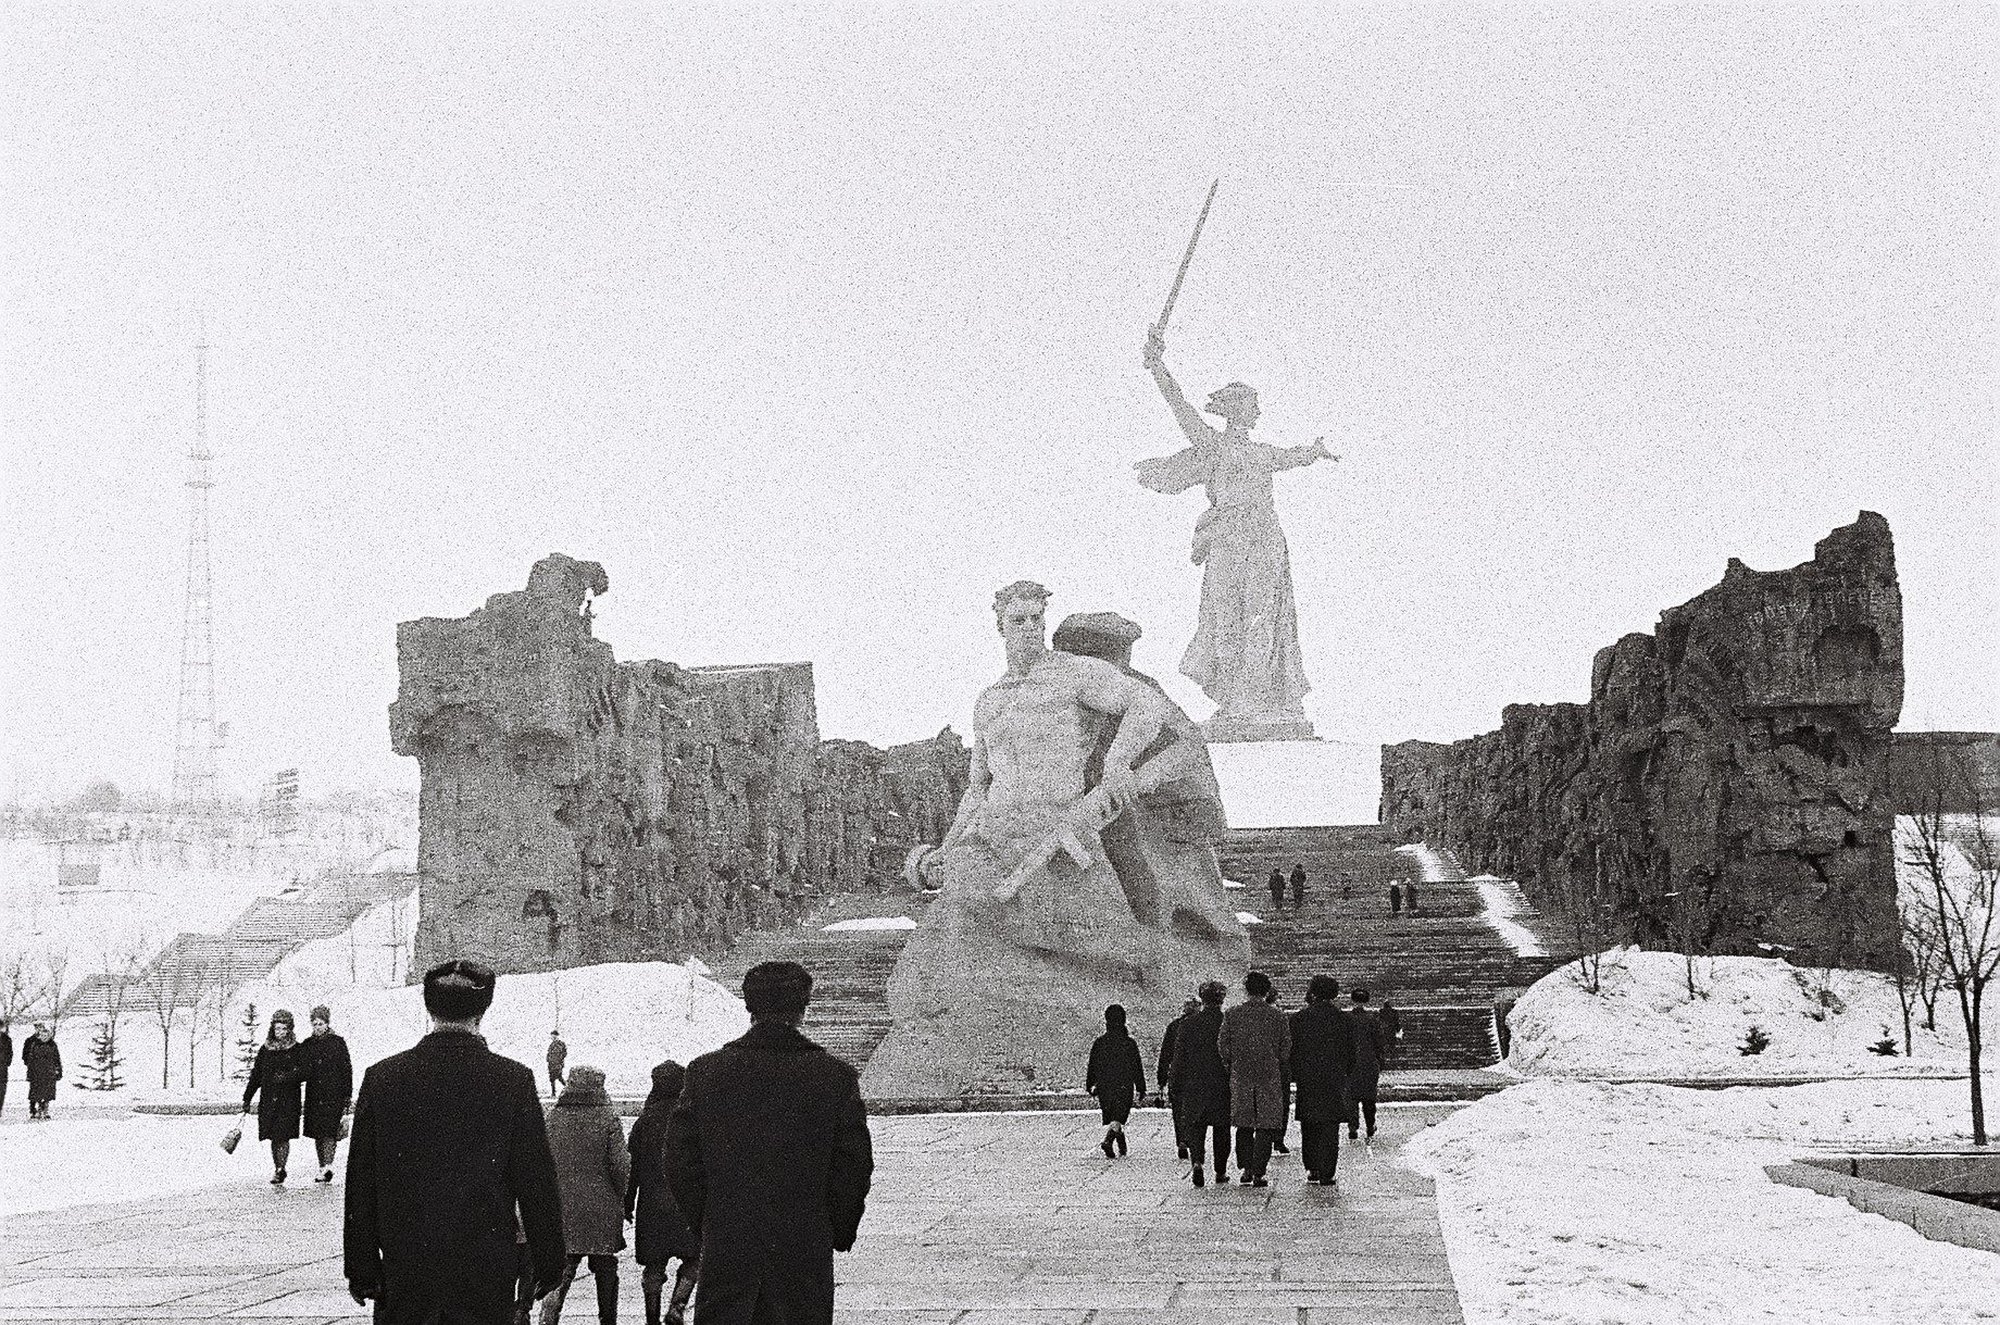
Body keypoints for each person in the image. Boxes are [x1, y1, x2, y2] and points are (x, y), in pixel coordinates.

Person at [344, 959, 566, 1322]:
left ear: (429, 1008)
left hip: (406, 1264)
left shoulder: (383, 1078)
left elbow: (362, 1180)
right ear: (482, 1011)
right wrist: (548, 1262)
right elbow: (536, 1181)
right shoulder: (512, 1081)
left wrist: (361, 1265)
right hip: (484, 1267)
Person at [1137, 328, 1335, 732]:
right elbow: (1181, 407)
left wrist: (1313, 453)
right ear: (1237, 410)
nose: (1259, 412)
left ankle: (1260, 698)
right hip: (1227, 537)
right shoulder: (1212, 446)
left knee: (1262, 618)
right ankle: (1233, 699)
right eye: (1254, 405)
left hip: (1263, 537)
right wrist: (1158, 366)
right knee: (1225, 616)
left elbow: (1289, 457)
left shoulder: (1260, 453)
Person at [666, 961, 873, 1325]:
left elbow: (680, 1162)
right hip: (803, 1251)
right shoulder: (835, 1077)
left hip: (729, 1247)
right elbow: (853, 1166)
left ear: (749, 1005)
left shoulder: (705, 1074)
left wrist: (710, 1221)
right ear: (803, 1006)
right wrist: (834, 1229)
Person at [541, 1065, 629, 1325]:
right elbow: (621, 1166)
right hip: (601, 1208)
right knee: (605, 1268)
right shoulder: (608, 1118)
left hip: (562, 1207)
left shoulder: (552, 1117)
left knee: (563, 1268)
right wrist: (619, 1196)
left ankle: (549, 1317)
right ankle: (607, 1319)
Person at [626, 1061, 699, 1325]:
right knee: (694, 1260)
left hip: (652, 1204)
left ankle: (652, 1319)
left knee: (653, 1267)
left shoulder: (644, 1121)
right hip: (686, 1204)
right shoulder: (691, 1116)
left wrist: (627, 1203)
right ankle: (677, 1306)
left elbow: (631, 1166)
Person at [1216, 971, 1290, 1188]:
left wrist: (1232, 1063)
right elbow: (1285, 1050)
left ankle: (1246, 1167)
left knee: (1244, 1123)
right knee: (1266, 1125)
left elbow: (1223, 1046)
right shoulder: (1278, 1016)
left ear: (1247, 990)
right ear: (1266, 990)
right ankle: (1259, 1171)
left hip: (1241, 1075)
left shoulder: (1232, 1014)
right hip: (1269, 1075)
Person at [1289, 976, 1355, 1184]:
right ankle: (1328, 1171)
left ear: (1313, 992)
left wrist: (1296, 1073)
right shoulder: (1343, 1019)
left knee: (1310, 1123)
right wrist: (1345, 1072)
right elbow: (1351, 1051)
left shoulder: (1300, 1018)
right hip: (1333, 1077)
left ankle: (1312, 1167)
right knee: (1330, 1124)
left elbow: (1293, 1050)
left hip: (1308, 1077)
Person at [1170, 981, 1231, 1186]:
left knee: (1196, 1126)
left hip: (1194, 1082)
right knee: (1221, 1129)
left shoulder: (1188, 1024)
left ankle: (1197, 1161)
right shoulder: (1226, 1022)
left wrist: (1175, 1084)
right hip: (1221, 1083)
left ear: (1202, 999)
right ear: (1221, 999)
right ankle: (1221, 1171)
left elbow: (1179, 1057)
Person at [243, 1009, 309, 1185]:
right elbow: (256, 1074)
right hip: (269, 1097)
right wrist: (247, 1097)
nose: (279, 1032)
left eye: (283, 1028)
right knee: (273, 1135)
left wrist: (287, 1076)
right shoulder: (266, 1050)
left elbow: (304, 1071)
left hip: (288, 1098)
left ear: (289, 1029)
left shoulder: (297, 1049)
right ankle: (278, 1166)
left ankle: (280, 1169)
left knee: (283, 1134)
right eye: (277, 1028)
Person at [1085, 1004, 1147, 1159]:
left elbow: (1092, 1065)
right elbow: (1136, 1067)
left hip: (1105, 1085)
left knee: (1114, 1115)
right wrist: (1141, 1087)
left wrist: (1090, 1085)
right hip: (1124, 1085)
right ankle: (1108, 1141)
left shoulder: (1100, 1043)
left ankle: (1120, 1141)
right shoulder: (1129, 1043)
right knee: (1119, 1116)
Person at [304, 1005, 354, 1184]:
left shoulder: (337, 1042)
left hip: (334, 1093)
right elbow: (301, 1067)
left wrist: (347, 1094)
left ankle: (328, 1166)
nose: (317, 1027)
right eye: (315, 1024)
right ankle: (322, 1165)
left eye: (321, 1023)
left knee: (329, 1132)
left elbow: (347, 1069)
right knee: (318, 1132)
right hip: (314, 1094)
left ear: (327, 1023)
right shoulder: (308, 1044)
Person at [1158, 998, 1198, 1160]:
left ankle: (1181, 1140)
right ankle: (1193, 1141)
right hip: (1196, 1075)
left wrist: (1162, 1080)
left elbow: (1165, 1055)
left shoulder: (1174, 1026)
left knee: (1178, 1110)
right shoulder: (1200, 1026)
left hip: (1177, 1075)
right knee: (1194, 1110)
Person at [1347, 989, 1386, 1141]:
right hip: (1369, 1063)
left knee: (1351, 1097)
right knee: (1369, 1097)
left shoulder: (1346, 1019)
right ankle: (1370, 1125)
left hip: (1351, 1063)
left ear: (1352, 1000)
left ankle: (1352, 1127)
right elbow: (1379, 1042)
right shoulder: (1372, 1020)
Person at [1262, 983, 1291, 1156]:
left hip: (1261, 1067)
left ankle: (1266, 1138)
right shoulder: (1280, 1017)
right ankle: (1278, 1140)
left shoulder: (1255, 1017)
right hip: (1279, 1067)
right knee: (1282, 1104)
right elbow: (1286, 1044)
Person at [23, 1022, 60, 1120]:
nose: (44, 1037)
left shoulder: (52, 1045)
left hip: (49, 1072)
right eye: (42, 1035)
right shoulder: (34, 1044)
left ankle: (45, 1110)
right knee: (36, 1092)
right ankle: (35, 1110)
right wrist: (30, 1070)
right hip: (37, 1072)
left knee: (48, 1092)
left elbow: (57, 1058)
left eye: (46, 1035)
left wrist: (58, 1070)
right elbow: (29, 1058)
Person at [547, 1031, 568, 1100]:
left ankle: (567, 1088)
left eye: (554, 1036)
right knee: (552, 1079)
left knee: (558, 1077)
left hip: (558, 1064)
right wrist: (548, 1060)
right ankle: (554, 1093)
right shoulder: (552, 1045)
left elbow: (564, 1053)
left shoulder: (561, 1044)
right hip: (551, 1064)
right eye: (552, 1036)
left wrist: (560, 1061)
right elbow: (549, 1054)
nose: (552, 1037)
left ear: (557, 1036)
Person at [0, 1019, 12, 1116]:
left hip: (2, 1068)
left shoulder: (6, 1039)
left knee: (2, 1090)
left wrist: (6, 1063)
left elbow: (10, 1053)